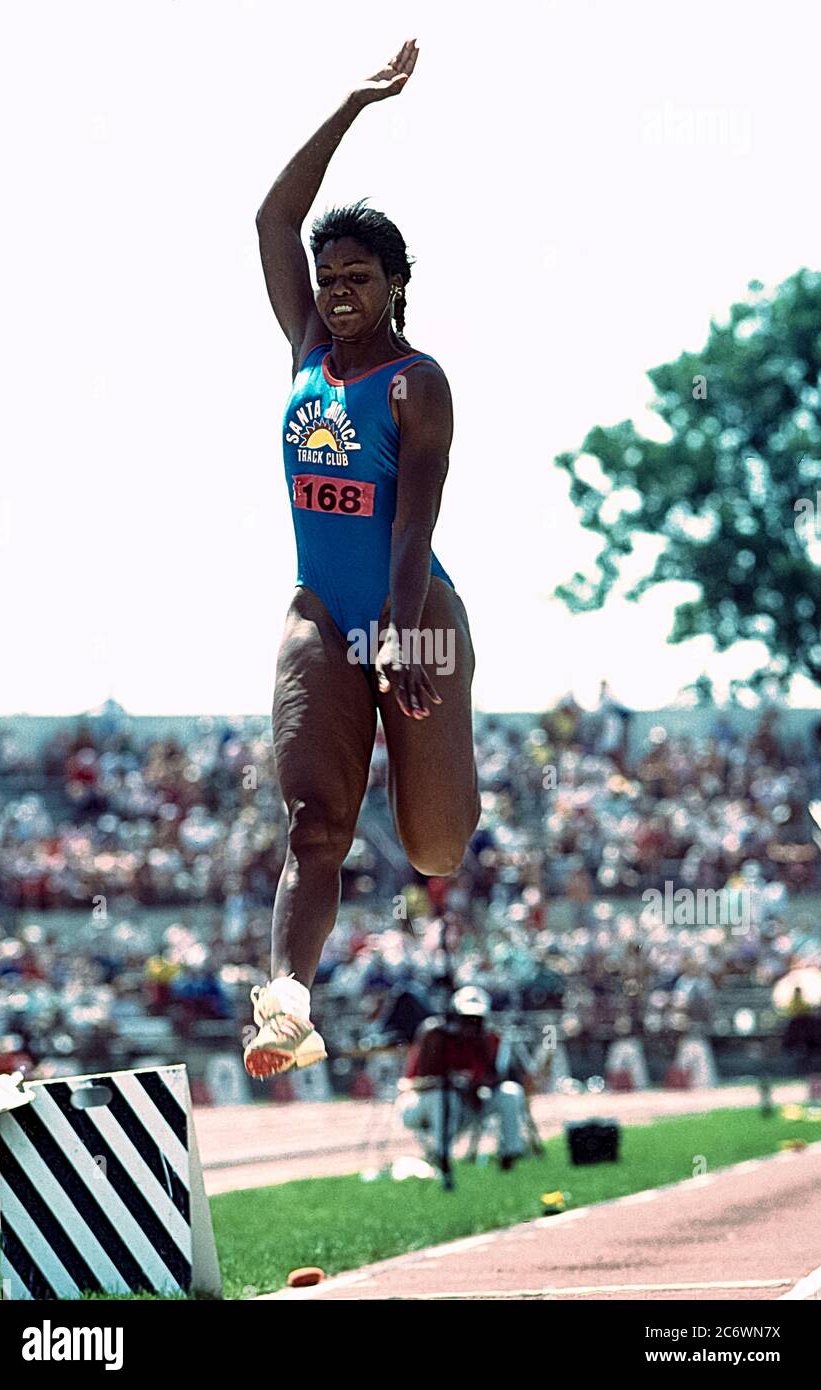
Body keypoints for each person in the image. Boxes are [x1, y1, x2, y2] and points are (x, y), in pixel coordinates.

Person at [244, 39, 481, 1079]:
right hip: (319, 609)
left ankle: (451, 777)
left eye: (357, 279)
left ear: (392, 287)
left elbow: (412, 524)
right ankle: (287, 1002)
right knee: (314, 821)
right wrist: (350, 103)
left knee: (432, 847)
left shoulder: (415, 382)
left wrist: (398, 635)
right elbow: (270, 221)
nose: (335, 292)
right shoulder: (305, 349)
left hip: (414, 600)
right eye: (328, 278)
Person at [397, 987, 526, 1172]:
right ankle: (442, 1161)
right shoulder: (434, 1034)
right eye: (466, 1018)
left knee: (510, 1092)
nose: (471, 1025)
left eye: (476, 1019)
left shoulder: (487, 1040)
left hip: (465, 1105)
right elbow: (416, 1080)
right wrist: (451, 1082)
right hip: (420, 1104)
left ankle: (509, 1156)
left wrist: (478, 1083)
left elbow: (496, 1076)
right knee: (443, 1095)